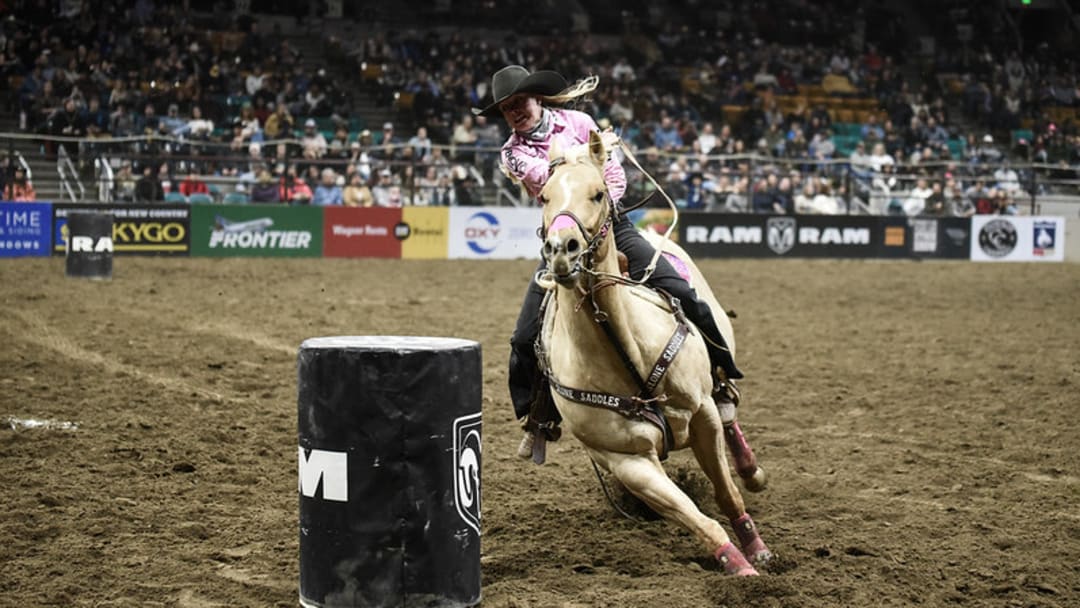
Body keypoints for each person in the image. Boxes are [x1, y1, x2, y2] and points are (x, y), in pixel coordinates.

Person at [475, 65, 743, 449]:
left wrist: (601, 212)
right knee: (524, 338)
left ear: (537, 98)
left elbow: (614, 177)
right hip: (564, 240)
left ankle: (721, 379)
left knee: (681, 292)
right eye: (506, 108)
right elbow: (551, 178)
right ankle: (538, 417)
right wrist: (585, 158)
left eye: (519, 102)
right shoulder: (513, 153)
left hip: (611, 226)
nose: (515, 112)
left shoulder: (580, 122)